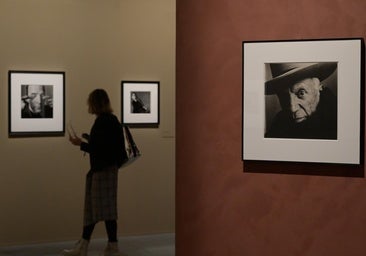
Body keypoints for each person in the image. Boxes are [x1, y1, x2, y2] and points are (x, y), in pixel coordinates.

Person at [63, 89, 125, 256]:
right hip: (109, 170)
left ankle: (86, 246)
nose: (88, 105)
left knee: (95, 209)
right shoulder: (112, 120)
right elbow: (109, 146)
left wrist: (80, 143)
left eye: (90, 102)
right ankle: (110, 246)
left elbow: (100, 149)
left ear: (95, 103)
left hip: (102, 171)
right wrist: (90, 140)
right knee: (106, 210)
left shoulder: (102, 122)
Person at [265, 62, 337, 140]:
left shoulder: (339, 120)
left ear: (318, 87)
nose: (293, 108)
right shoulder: (279, 124)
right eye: (284, 97)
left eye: (301, 93)